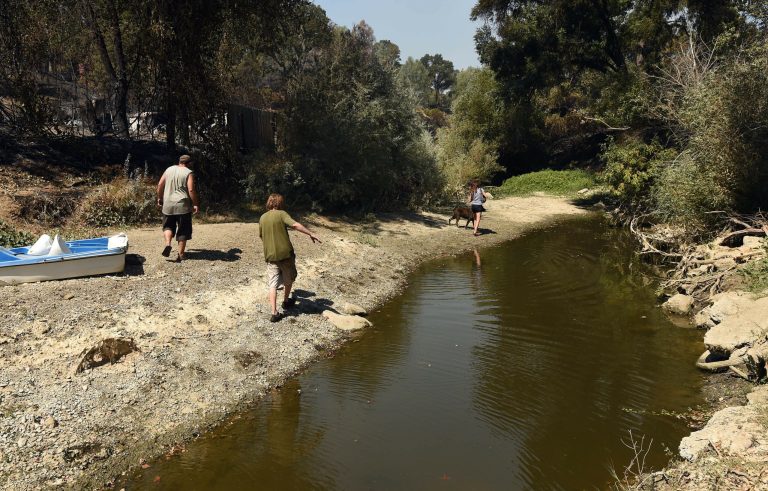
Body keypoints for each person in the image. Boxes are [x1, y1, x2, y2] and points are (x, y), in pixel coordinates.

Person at [259, 193, 321, 322]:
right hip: (286, 254)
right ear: (280, 203)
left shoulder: (262, 217)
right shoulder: (282, 214)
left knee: (273, 284)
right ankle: (286, 301)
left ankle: (274, 312)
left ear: (269, 203)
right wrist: (310, 233)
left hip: (270, 256)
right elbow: (295, 225)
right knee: (289, 278)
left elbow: (261, 236)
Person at [157, 154, 199, 261]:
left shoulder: (169, 169)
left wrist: (160, 198)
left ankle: (168, 243)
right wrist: (195, 204)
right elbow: (191, 190)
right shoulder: (189, 173)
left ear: (180, 161)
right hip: (182, 206)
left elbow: (159, 185)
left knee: (168, 227)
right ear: (189, 163)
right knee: (183, 230)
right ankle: (181, 254)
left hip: (168, 204)